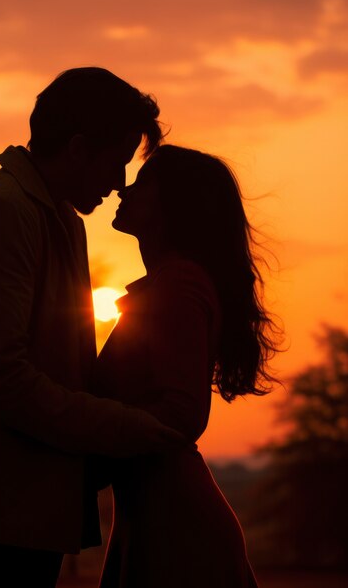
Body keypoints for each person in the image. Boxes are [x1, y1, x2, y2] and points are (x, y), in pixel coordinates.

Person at [0, 68, 184, 587]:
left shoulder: (56, 217)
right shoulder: (7, 214)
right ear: (76, 148)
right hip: (5, 510)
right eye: (115, 163)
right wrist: (118, 426)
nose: (118, 184)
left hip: (34, 504)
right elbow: (1, 376)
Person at [92, 145, 280, 587]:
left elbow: (182, 414)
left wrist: (86, 433)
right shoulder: (170, 284)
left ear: (171, 202)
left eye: (141, 182)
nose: (123, 188)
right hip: (154, 517)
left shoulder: (178, 284)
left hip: (174, 530)